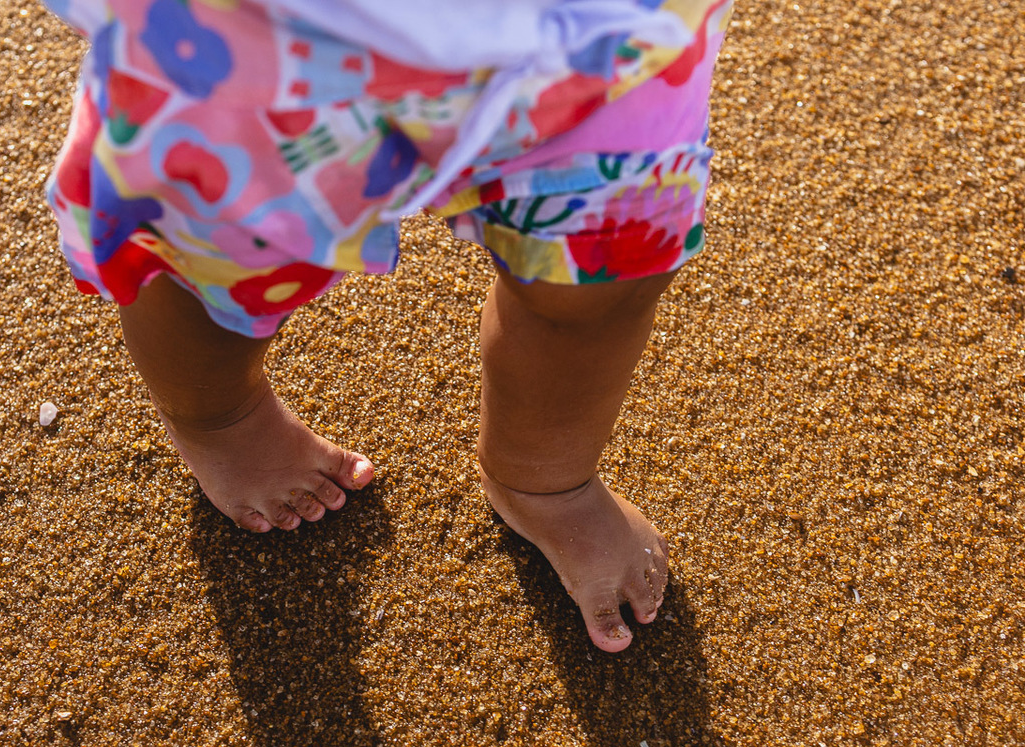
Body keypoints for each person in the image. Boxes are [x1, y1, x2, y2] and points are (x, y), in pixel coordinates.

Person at [44, 0, 733, 652]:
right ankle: (220, 417)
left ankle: (546, 478)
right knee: (210, 262)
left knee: (602, 275)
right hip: (267, 46)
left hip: (599, 43)